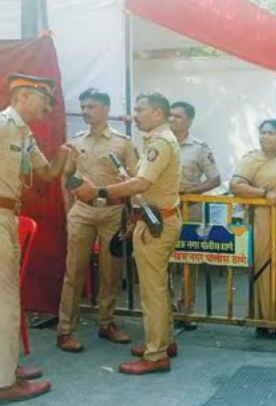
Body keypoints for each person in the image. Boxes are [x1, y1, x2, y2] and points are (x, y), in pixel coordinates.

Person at [73, 92, 182, 375]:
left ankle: (156, 354)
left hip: (157, 223)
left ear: (158, 114)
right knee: (158, 287)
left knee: (152, 291)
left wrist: (99, 191)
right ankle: (164, 341)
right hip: (157, 219)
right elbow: (143, 182)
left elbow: (142, 184)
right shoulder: (158, 140)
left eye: (140, 109)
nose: (134, 115)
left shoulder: (160, 142)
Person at [1, 73, 75, 401]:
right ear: (24, 96)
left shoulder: (23, 132)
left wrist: (65, 153)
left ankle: (6, 366)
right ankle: (4, 383)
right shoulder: (3, 124)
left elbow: (47, 172)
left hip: (8, 217)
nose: (48, 108)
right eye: (44, 100)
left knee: (8, 299)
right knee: (4, 302)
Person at [56, 88, 138, 353]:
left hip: (113, 212)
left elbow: (135, 181)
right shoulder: (76, 141)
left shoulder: (123, 143)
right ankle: (65, 330)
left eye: (90, 106)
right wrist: (69, 211)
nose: (85, 111)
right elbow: (66, 175)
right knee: (74, 272)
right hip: (82, 212)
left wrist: (132, 217)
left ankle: (107, 323)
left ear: (105, 108)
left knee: (110, 272)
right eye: (83, 107)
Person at [230, 119, 276, 335]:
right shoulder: (250, 160)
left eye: (271, 133)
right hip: (262, 222)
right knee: (265, 267)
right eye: (263, 133)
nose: (265, 137)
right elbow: (236, 186)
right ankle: (263, 318)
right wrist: (264, 193)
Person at [169, 101, 221, 326]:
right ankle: (168, 308)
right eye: (170, 116)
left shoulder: (199, 148)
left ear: (189, 120)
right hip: (164, 209)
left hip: (189, 211)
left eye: (178, 116)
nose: (172, 120)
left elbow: (215, 179)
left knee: (189, 261)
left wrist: (192, 190)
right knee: (163, 260)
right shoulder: (160, 143)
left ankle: (187, 310)